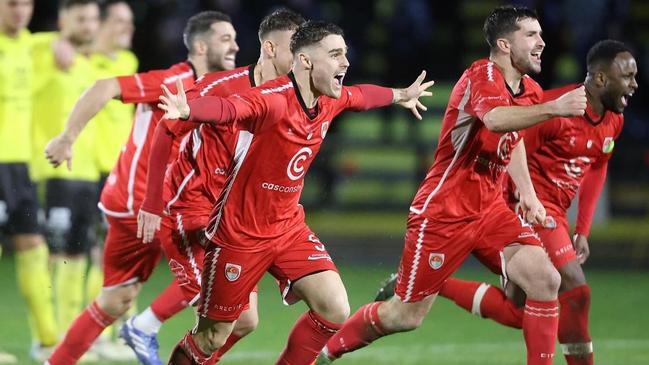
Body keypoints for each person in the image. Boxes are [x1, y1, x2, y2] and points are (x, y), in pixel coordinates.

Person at [315, 6, 587, 365]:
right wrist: (556, 108)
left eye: (540, 34)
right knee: (404, 316)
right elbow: (494, 119)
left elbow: (514, 136)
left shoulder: (531, 90)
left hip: (490, 211)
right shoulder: (481, 75)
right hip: (444, 212)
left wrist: (529, 195)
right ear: (504, 44)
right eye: (532, 35)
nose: (542, 42)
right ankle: (325, 352)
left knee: (545, 279)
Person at [158, 20, 434, 365]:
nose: (345, 63)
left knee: (334, 307)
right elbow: (231, 109)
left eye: (345, 54)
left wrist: (400, 95)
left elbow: (361, 96)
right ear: (305, 61)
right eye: (335, 54)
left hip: (288, 228)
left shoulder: (328, 100)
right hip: (240, 235)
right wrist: (189, 110)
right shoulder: (272, 100)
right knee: (213, 336)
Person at [43, 10, 239, 365]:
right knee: (217, 277)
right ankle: (144, 327)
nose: (235, 46)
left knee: (114, 299)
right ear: (200, 45)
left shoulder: (217, 89)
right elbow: (105, 86)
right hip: (143, 205)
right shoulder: (174, 79)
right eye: (225, 39)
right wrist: (68, 137)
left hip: (143, 203)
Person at [430, 40, 637, 365]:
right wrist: (514, 202)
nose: (635, 84)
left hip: (554, 213)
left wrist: (582, 228)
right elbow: (511, 146)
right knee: (575, 286)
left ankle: (435, 284)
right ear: (600, 79)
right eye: (628, 76)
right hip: (528, 210)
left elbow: (598, 165)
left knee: (517, 312)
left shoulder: (614, 121)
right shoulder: (556, 109)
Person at [131, 8, 305, 365]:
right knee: (231, 320)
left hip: (232, 222)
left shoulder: (294, 99)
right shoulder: (220, 86)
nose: (301, 59)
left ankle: (154, 333)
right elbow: (167, 128)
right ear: (271, 49)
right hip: (190, 212)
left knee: (245, 322)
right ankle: (145, 327)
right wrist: (151, 203)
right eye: (294, 48)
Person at [30, 2, 102, 354]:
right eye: (81, 19)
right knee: (47, 252)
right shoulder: (43, 52)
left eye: (92, 19)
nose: (89, 25)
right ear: (63, 22)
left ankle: (67, 337)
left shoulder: (88, 64)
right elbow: (16, 39)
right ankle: (41, 337)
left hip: (86, 172)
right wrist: (51, 41)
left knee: (75, 255)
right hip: (49, 169)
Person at [0, 0, 58, 361]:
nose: (20, 11)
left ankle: (48, 341)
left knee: (34, 247)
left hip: (20, 166)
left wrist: (60, 42)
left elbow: (60, 38)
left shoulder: (28, 45)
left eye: (26, 4)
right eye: (12, 4)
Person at [86, 0, 139, 360]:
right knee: (95, 253)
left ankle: (120, 332)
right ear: (100, 24)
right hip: (91, 171)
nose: (127, 27)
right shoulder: (80, 59)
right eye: (119, 21)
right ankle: (98, 334)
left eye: (130, 22)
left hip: (125, 173)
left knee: (126, 255)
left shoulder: (129, 63)